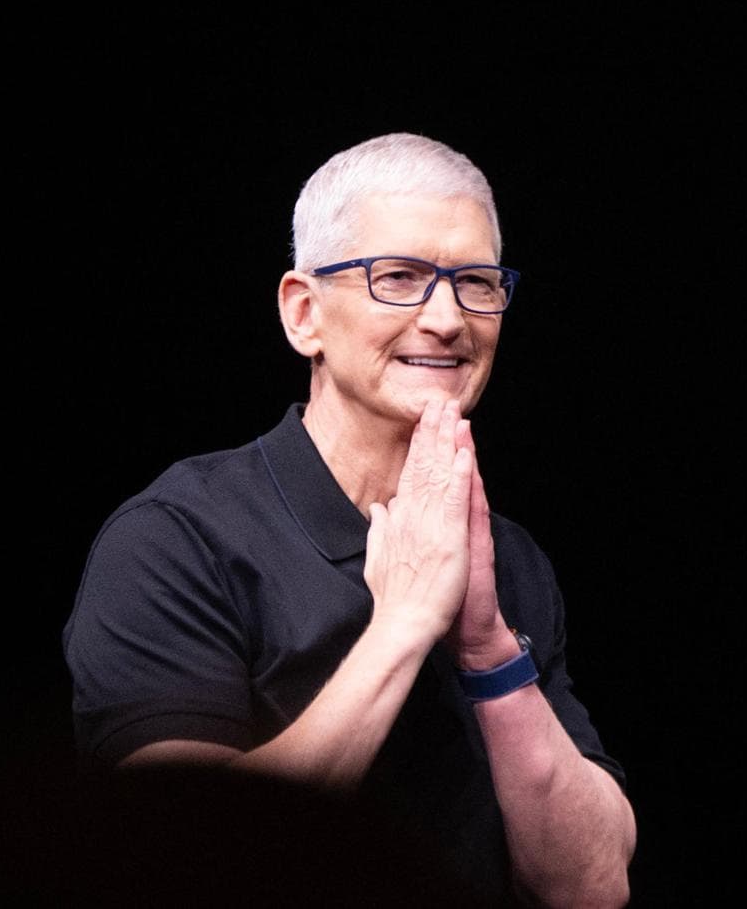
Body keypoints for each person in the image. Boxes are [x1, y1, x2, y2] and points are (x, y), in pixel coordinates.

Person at [64, 133, 635, 907]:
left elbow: (592, 888)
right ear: (305, 314)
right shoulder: (177, 540)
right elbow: (180, 858)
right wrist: (403, 625)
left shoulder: (511, 559)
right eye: (398, 277)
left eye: (475, 282)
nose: (448, 319)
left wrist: (489, 652)